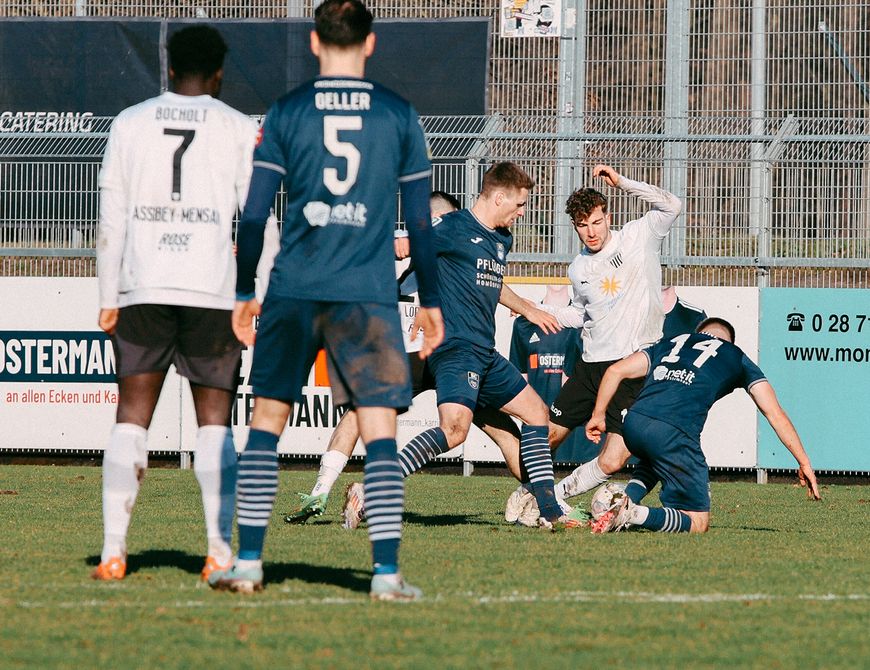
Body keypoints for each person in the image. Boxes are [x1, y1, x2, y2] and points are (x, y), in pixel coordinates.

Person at [209, 0, 444, 601]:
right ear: (370, 44)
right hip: (364, 296)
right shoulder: (398, 114)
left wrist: (243, 290)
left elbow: (255, 213)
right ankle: (386, 576)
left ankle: (251, 563)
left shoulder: (287, 112)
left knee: (265, 424)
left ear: (315, 43)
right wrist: (431, 302)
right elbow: (420, 225)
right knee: (381, 431)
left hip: (293, 288)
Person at [92, 25, 258, 582]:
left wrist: (106, 294)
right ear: (218, 73)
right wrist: (253, 293)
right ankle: (218, 549)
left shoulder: (130, 122)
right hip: (211, 290)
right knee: (215, 423)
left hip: (143, 287)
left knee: (131, 416)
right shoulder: (237, 127)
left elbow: (110, 217)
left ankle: (114, 552)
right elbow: (255, 217)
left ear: (167, 67)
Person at [343, 161, 574, 531]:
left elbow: (490, 282)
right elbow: (404, 247)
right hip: (455, 349)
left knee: (536, 414)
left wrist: (529, 308)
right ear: (498, 197)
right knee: (454, 431)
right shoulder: (450, 228)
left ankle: (549, 510)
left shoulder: (502, 239)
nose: (522, 213)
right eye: (519, 205)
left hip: (484, 352)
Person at [284, 191, 533, 525]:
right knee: (498, 430)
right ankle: (541, 500)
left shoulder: (415, 242)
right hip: (428, 348)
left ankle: (321, 489)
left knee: (361, 412)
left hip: (434, 349)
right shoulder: (434, 238)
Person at [584, 317, 821, 533]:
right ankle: (632, 513)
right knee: (697, 522)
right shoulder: (735, 355)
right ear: (729, 341)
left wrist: (598, 415)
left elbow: (615, 371)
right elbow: (774, 413)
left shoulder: (671, 342)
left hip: (634, 422)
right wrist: (804, 462)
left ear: (698, 333)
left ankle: (620, 501)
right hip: (672, 432)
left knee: (655, 458)